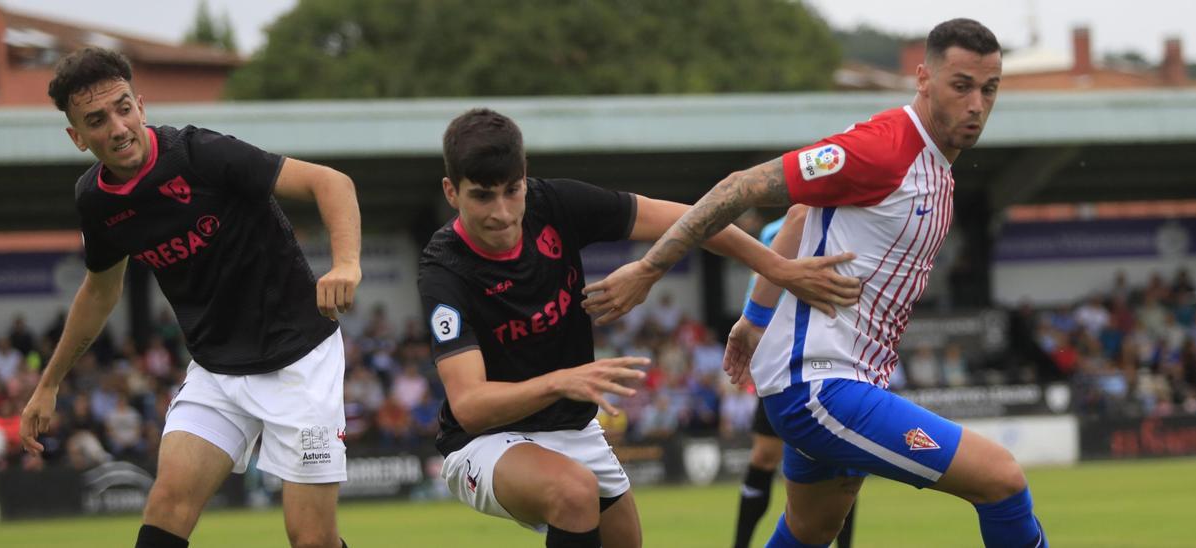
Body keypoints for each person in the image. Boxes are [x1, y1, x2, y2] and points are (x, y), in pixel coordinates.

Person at [583, 19, 1048, 548]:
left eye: (989, 90)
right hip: (821, 386)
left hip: (830, 381)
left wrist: (755, 320)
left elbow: (804, 213)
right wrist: (650, 267)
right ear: (923, 78)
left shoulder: (934, 166)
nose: (976, 105)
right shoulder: (883, 148)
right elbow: (741, 187)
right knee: (1002, 479)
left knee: (810, 531)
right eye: (960, 85)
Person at [417, 108, 860, 548]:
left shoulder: (554, 204)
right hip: (484, 441)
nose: (502, 213)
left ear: (525, 175)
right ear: (451, 192)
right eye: (481, 196)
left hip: (573, 429)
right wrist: (560, 382)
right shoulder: (445, 269)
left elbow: (692, 221)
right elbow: (470, 405)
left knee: (624, 538)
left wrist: (779, 270)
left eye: (511, 191)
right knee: (573, 493)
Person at [19, 47, 362, 548]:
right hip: (217, 373)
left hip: (299, 361)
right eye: (96, 120)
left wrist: (347, 263)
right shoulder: (95, 201)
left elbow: (330, 182)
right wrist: (48, 384)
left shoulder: (201, 153)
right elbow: (99, 291)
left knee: (311, 539)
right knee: (166, 511)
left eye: (122, 108)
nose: (116, 127)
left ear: (141, 105)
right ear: (77, 137)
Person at [732, 209, 857, 548]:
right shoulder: (783, 228)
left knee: (843, 457)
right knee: (765, 456)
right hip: (786, 357)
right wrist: (753, 328)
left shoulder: (852, 222)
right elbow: (761, 287)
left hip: (834, 353)